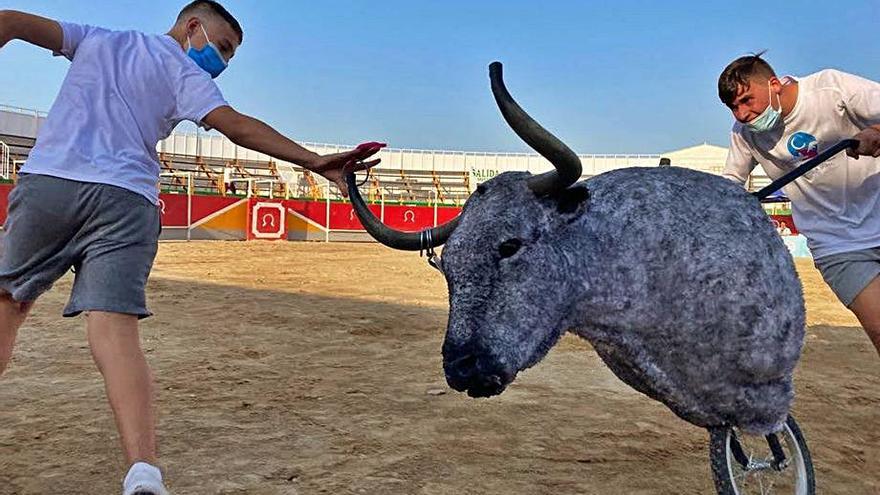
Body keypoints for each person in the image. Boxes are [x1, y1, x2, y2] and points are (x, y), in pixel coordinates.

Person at [0, 2, 383, 494]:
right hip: (128, 199)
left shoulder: (96, 38)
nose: (221, 60)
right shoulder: (184, 73)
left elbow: (7, 21)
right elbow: (238, 126)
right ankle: (143, 472)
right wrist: (314, 161)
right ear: (192, 25)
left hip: (53, 181)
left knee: (8, 304)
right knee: (115, 332)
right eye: (221, 46)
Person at [718, 53, 880, 355]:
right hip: (836, 244)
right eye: (733, 107)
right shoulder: (744, 133)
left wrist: (876, 131)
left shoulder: (831, 89)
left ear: (774, 85)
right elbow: (731, 182)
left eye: (747, 100)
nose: (741, 114)